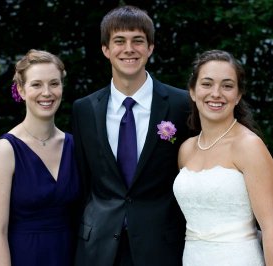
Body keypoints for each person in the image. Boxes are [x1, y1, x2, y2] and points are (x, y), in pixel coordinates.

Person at [72, 5, 190, 266]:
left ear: (150, 48)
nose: (129, 49)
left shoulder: (182, 104)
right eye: (119, 41)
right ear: (105, 49)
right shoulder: (84, 110)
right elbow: (83, 182)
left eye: (138, 41)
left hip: (161, 247)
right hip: (97, 248)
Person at [173, 49, 273, 265]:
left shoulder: (248, 146)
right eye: (207, 84)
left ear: (238, 95)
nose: (216, 93)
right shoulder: (186, 150)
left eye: (227, 86)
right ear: (193, 91)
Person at [0, 49, 81, 266]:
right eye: (36, 84)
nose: (47, 92)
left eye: (54, 83)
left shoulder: (75, 146)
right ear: (21, 90)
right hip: (25, 257)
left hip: (72, 256)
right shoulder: (6, 150)